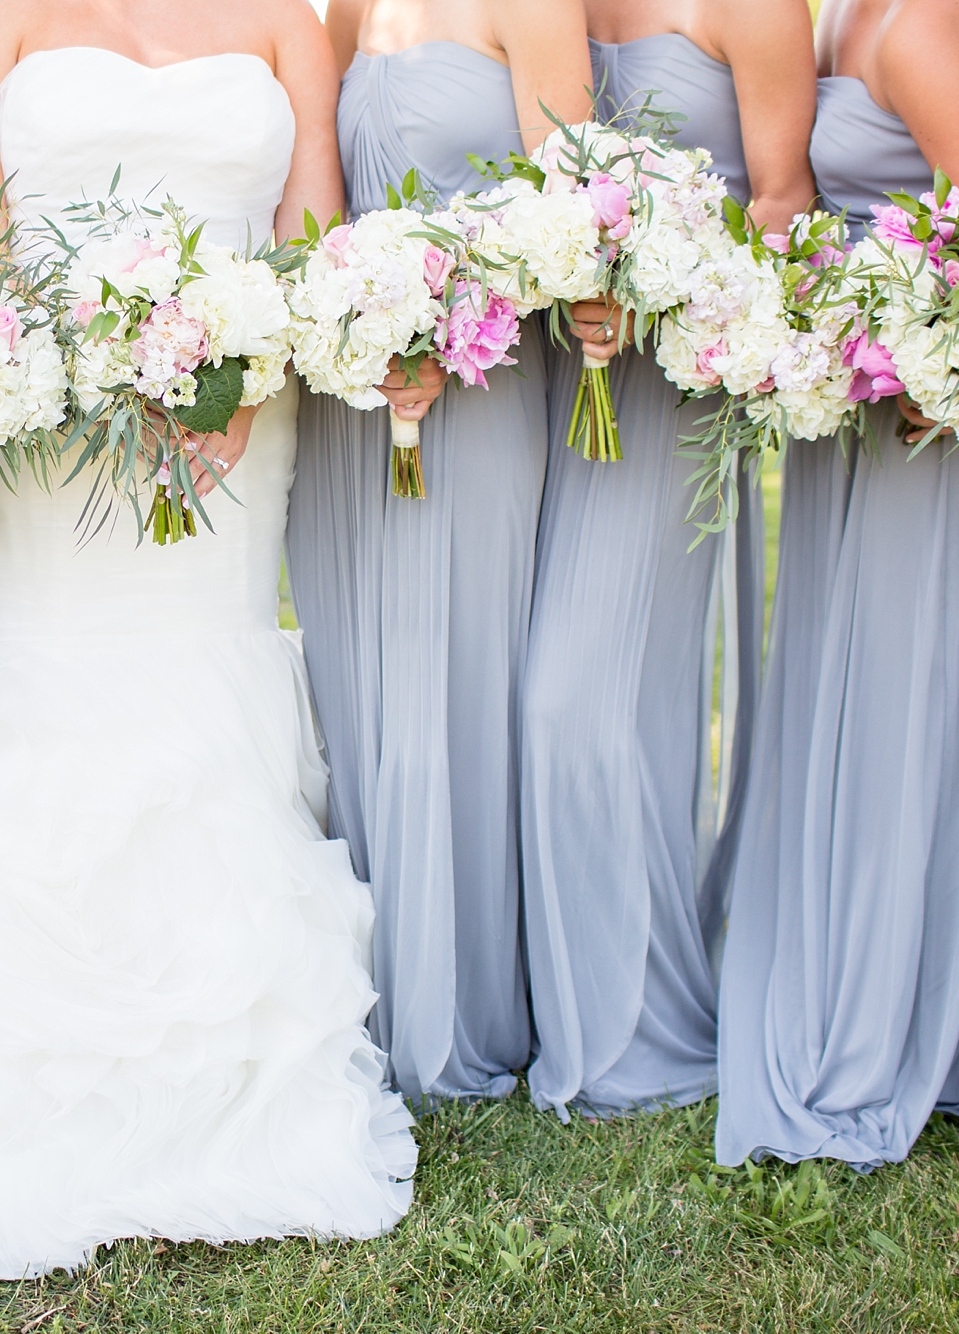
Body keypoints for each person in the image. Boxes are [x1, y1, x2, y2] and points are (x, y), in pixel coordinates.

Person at [0, 0, 417, 1280]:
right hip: (48, 422)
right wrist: (70, 368)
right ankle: (8, 1069)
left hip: (238, 411)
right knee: (59, 671)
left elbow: (308, 235)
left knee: (204, 663)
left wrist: (247, 376)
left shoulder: (283, 20)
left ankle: (230, 1076)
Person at [714, 0, 959, 1170]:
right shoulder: (857, 11)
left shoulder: (932, 28)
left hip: (929, 434)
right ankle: (838, 955)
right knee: (850, 702)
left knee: (906, 713)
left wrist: (917, 364)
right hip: (853, 413)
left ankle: (880, 1017)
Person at [285, 0, 591, 1104]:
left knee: (454, 679)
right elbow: (308, 199)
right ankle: (363, 981)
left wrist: (446, 312)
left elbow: (572, 218)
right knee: (358, 690)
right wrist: (351, 323)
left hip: (478, 386)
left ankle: (462, 999)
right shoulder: (345, 11)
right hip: (346, 395)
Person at [520, 0, 815, 1119]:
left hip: (671, 387)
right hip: (548, 375)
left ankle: (637, 1018)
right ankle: (561, 987)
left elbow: (783, 210)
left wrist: (678, 299)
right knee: (586, 703)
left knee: (571, 704)